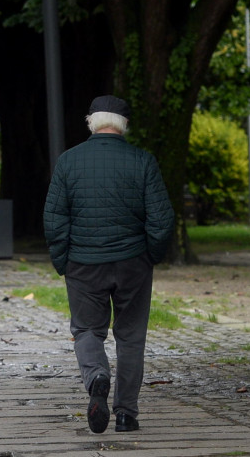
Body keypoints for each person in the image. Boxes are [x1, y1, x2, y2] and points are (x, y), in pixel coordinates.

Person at [43, 95, 174, 434]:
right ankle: (127, 414)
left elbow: (54, 219)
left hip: (84, 263)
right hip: (133, 263)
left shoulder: (68, 161)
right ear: (124, 124)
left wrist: (63, 261)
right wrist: (149, 257)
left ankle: (97, 376)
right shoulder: (143, 161)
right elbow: (161, 220)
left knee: (87, 330)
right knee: (131, 337)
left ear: (91, 121)